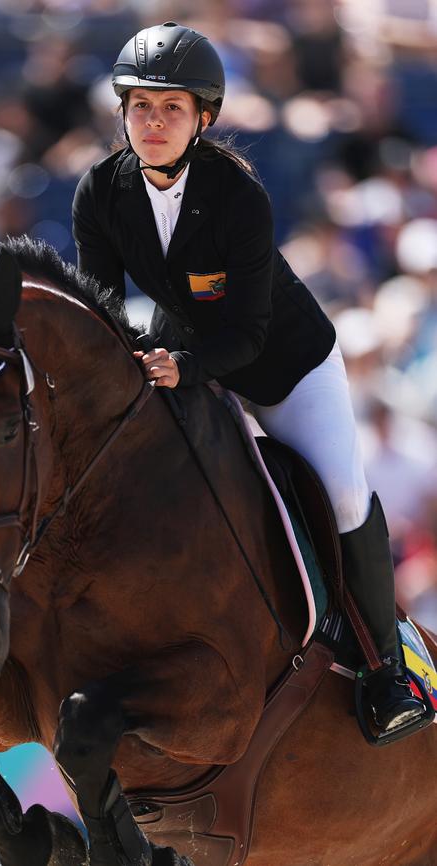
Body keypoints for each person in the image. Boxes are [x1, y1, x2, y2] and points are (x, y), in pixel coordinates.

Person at [72, 21, 426, 734]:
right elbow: (101, 308)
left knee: (345, 494)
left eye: (172, 108)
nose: (153, 122)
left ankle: (391, 675)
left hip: (282, 363)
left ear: (204, 118)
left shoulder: (237, 197)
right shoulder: (100, 192)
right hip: (185, 354)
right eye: (140, 105)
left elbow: (248, 333)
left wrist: (185, 368)